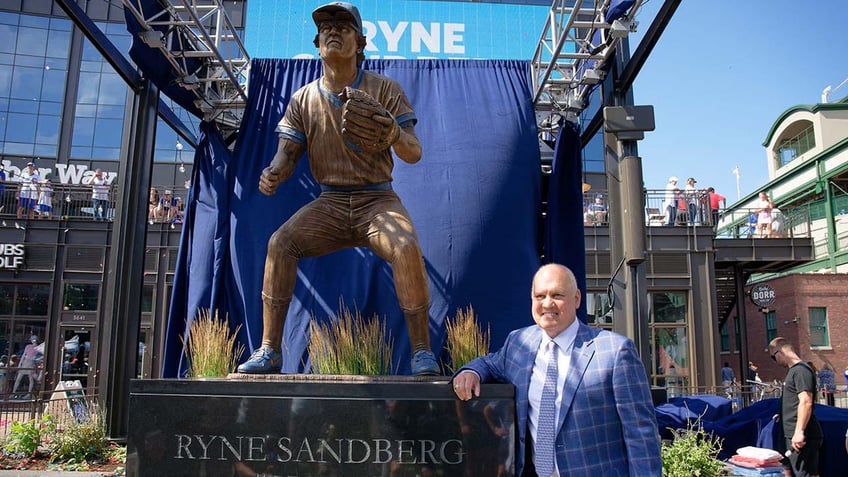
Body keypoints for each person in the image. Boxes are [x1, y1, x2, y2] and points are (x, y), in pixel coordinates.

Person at [237, 2, 438, 376]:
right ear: (316, 43)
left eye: (343, 26)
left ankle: (422, 351)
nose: (333, 30)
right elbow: (287, 152)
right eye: (326, 26)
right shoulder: (303, 98)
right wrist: (274, 172)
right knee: (281, 243)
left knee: (406, 246)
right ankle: (269, 349)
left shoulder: (384, 89)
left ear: (359, 42)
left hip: (377, 199)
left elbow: (414, 152)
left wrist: (393, 132)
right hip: (329, 202)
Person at [451, 264, 662, 476]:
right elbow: (490, 363)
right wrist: (471, 372)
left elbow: (640, 432)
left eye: (557, 295)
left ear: (577, 298)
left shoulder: (615, 351)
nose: (547, 303)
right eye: (540, 296)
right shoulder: (519, 343)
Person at [769, 337, 822, 477]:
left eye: (773, 357)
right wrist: (783, 413)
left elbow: (806, 401)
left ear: (779, 352)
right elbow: (794, 401)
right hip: (789, 434)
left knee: (806, 474)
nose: (775, 362)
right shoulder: (793, 372)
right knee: (787, 469)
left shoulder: (801, 370)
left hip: (802, 437)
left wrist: (799, 431)